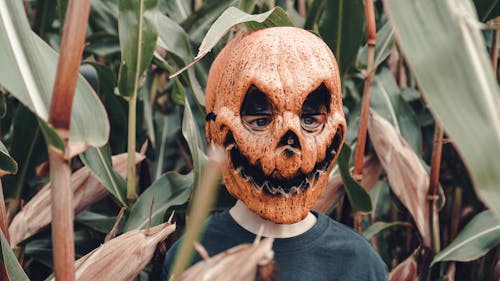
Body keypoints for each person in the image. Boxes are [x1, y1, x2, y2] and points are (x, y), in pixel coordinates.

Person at [162, 26, 388, 281]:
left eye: (310, 120)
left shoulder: (359, 264)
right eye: (260, 121)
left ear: (337, 129)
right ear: (215, 131)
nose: (290, 146)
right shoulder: (188, 258)